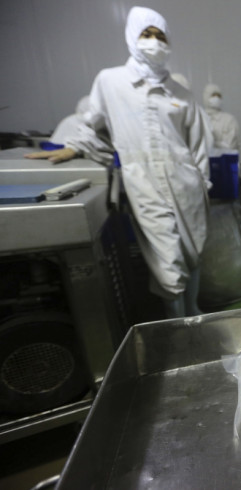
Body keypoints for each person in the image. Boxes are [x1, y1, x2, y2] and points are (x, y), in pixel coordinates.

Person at [25, 6, 211, 319]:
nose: (154, 42)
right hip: (145, 184)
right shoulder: (110, 82)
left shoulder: (180, 93)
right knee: (168, 263)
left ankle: (193, 310)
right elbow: (92, 123)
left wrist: (203, 183)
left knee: (192, 254)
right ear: (131, 37)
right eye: (146, 34)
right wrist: (74, 148)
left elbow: (200, 144)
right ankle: (176, 325)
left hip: (187, 184)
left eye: (160, 36)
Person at [203, 83, 240, 152]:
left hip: (225, 161)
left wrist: (212, 142)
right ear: (206, 97)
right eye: (213, 96)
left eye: (219, 96)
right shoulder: (200, 119)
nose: (216, 98)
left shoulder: (229, 120)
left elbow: (231, 146)